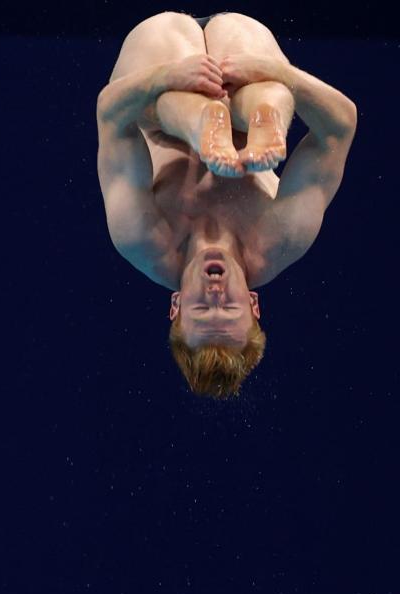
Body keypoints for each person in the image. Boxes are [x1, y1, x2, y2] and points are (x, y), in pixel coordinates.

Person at [96, 12, 357, 398]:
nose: (215, 293)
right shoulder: (281, 238)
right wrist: (278, 72)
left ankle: (202, 121)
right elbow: (340, 126)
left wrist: (163, 76)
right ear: (253, 304)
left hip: (161, 85)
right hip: (242, 64)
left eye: (201, 310)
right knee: (269, 91)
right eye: (229, 309)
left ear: (176, 306)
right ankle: (262, 113)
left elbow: (110, 114)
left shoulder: (140, 237)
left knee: (165, 105)